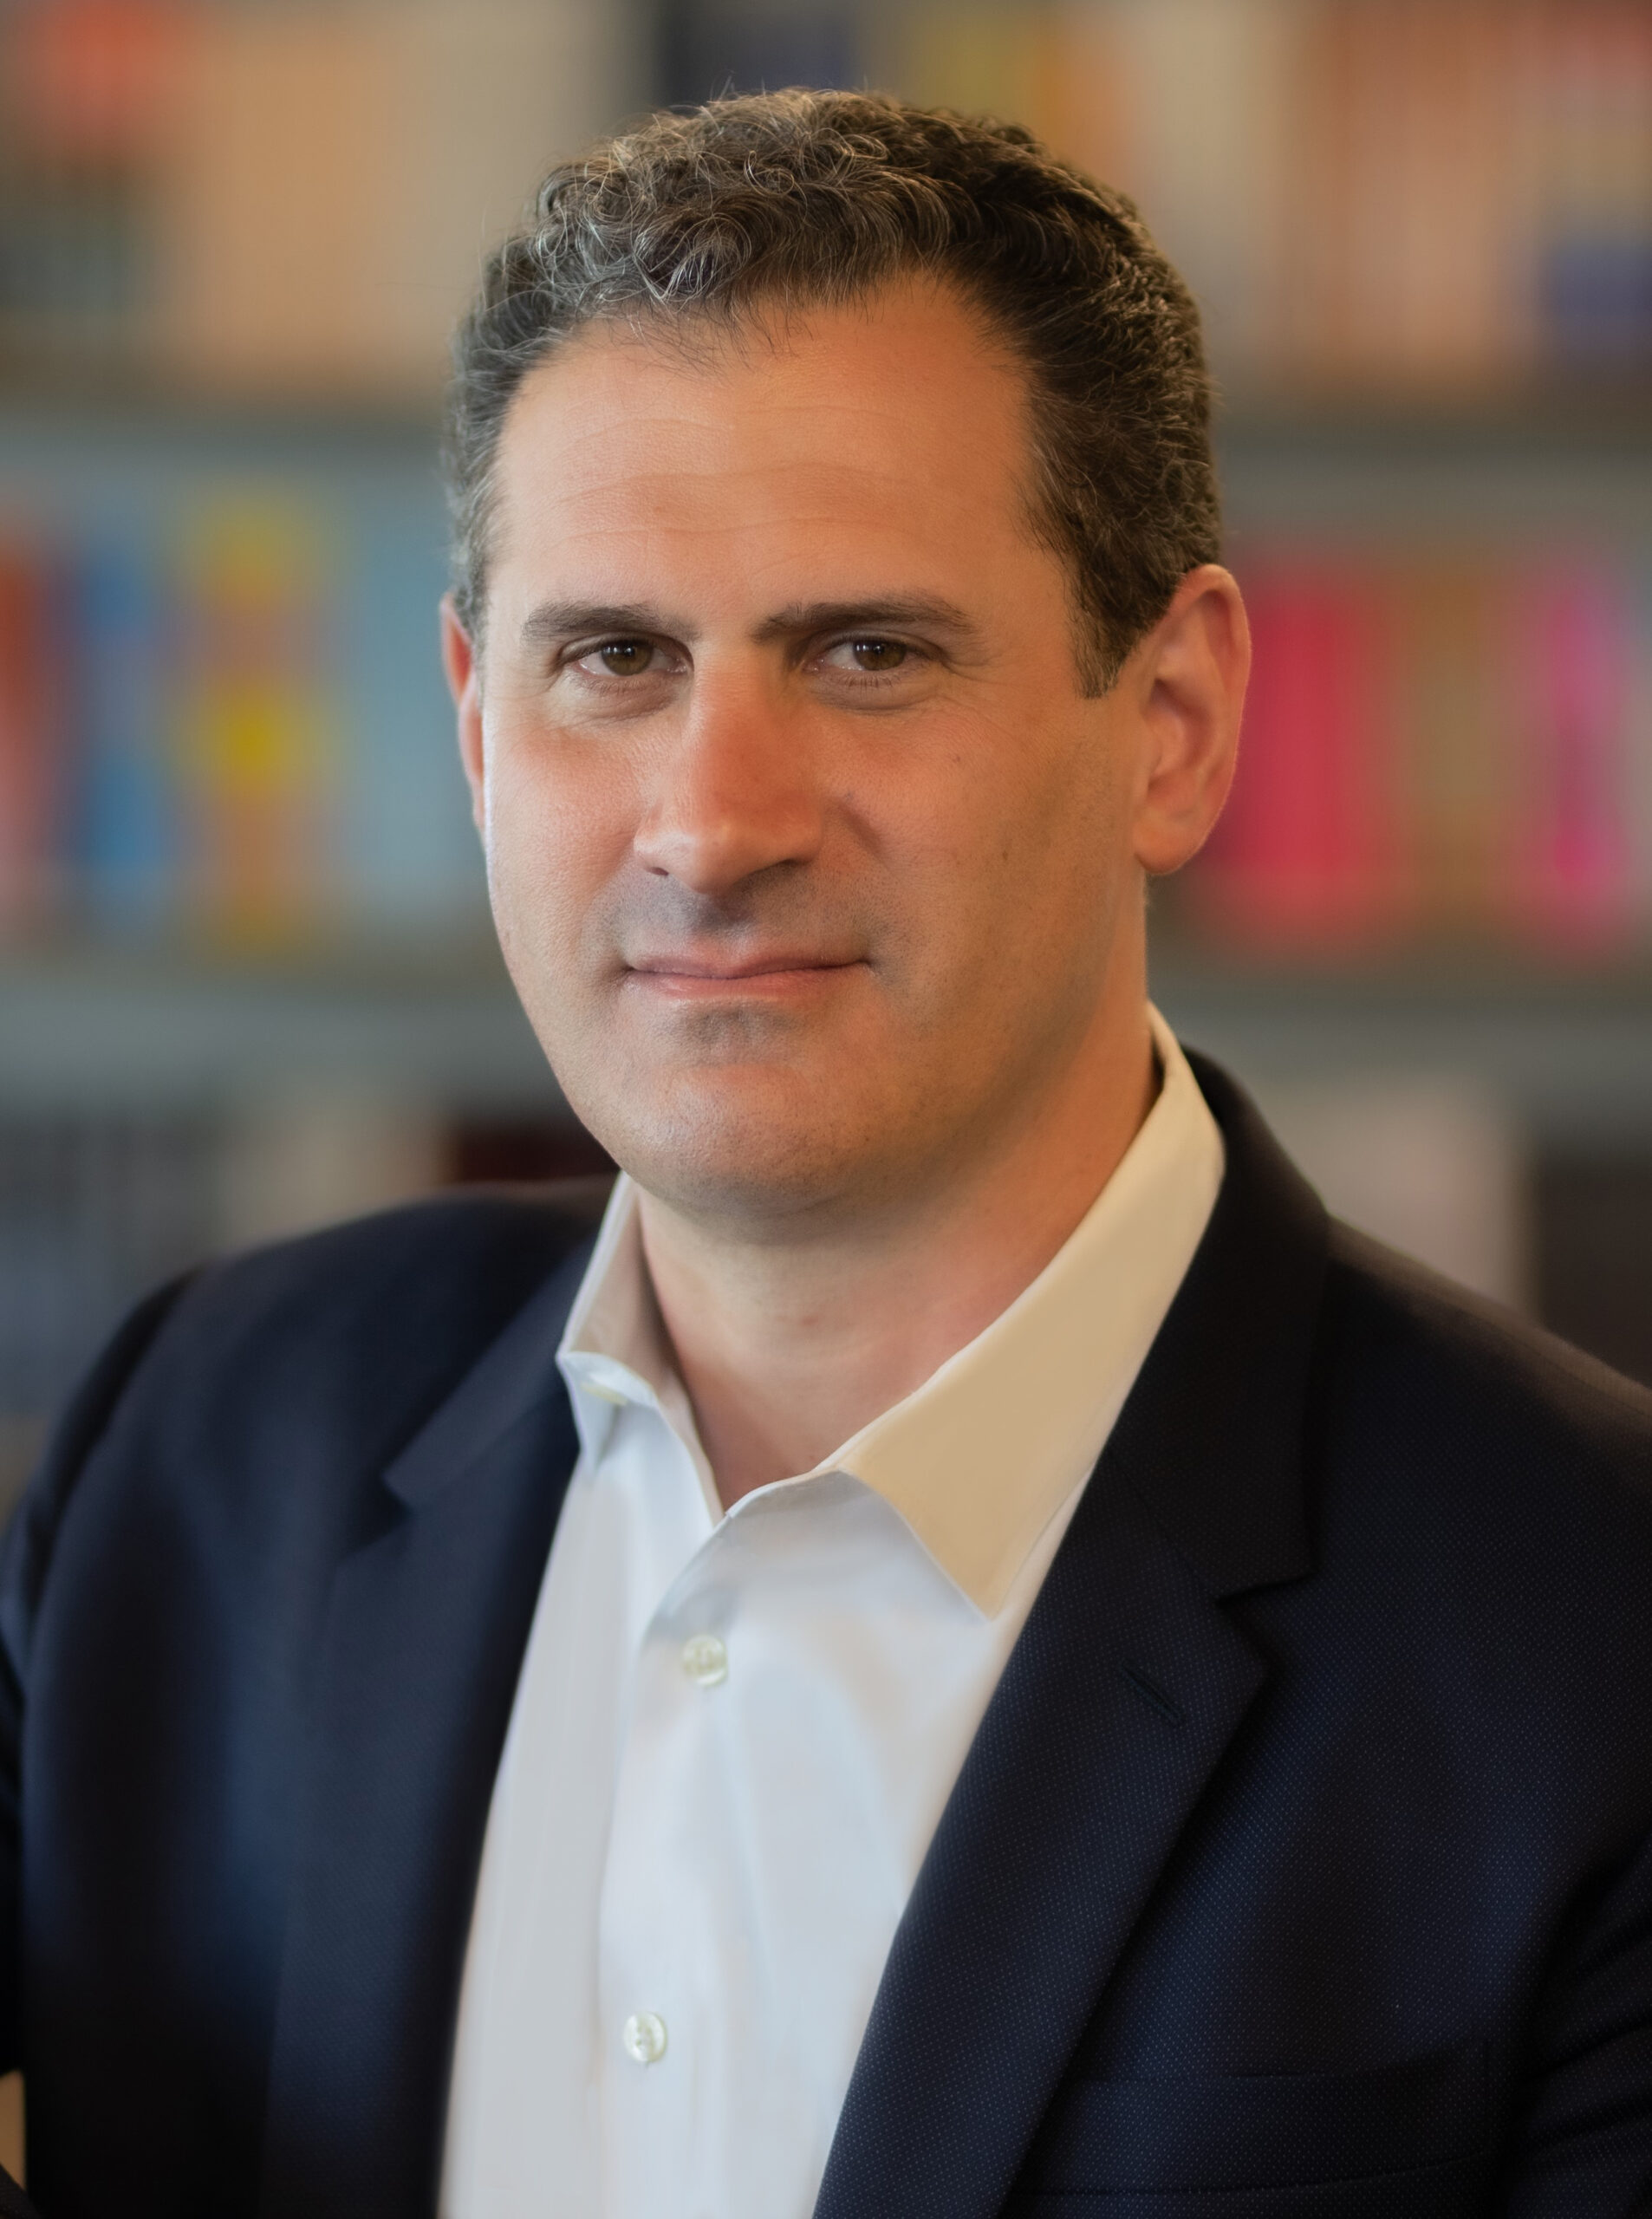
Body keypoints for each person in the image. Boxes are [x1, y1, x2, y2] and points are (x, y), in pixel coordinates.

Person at [3, 89, 1651, 2219]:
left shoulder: (1592, 1626)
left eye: (867, 654)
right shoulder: (200, 1446)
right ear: (477, 726)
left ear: (1170, 724)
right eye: (614, 659)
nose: (710, 822)